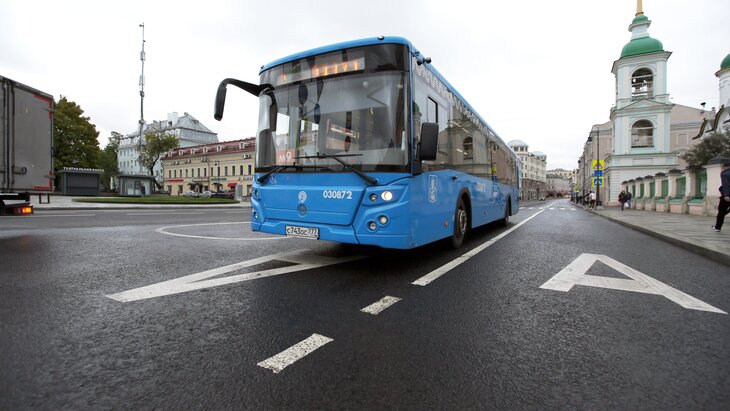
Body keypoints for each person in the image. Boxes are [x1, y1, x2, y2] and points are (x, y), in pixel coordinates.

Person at [712, 162, 730, 232]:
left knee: (721, 211)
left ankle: (717, 227)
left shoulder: (725, 174)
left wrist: (726, 195)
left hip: (727, 195)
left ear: (725, 167)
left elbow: (726, 184)